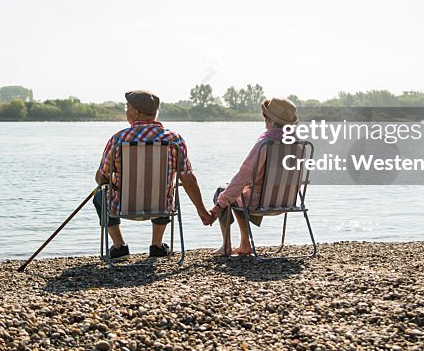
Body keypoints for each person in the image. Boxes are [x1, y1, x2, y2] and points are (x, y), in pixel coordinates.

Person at [94, 89, 212, 259]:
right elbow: (188, 178)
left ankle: (119, 247)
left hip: (122, 206)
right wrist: (201, 210)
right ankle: (157, 246)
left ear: (135, 112)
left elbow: (101, 177)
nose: (126, 111)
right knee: (166, 188)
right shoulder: (174, 140)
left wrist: (108, 179)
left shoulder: (118, 139)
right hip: (161, 205)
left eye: (126, 107)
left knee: (100, 196)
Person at [205, 97, 298, 256]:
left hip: (260, 201)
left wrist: (218, 206)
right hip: (287, 200)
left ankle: (227, 246)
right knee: (238, 192)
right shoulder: (297, 143)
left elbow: (244, 175)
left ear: (268, 118)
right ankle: (244, 244)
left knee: (225, 191)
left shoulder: (266, 143)